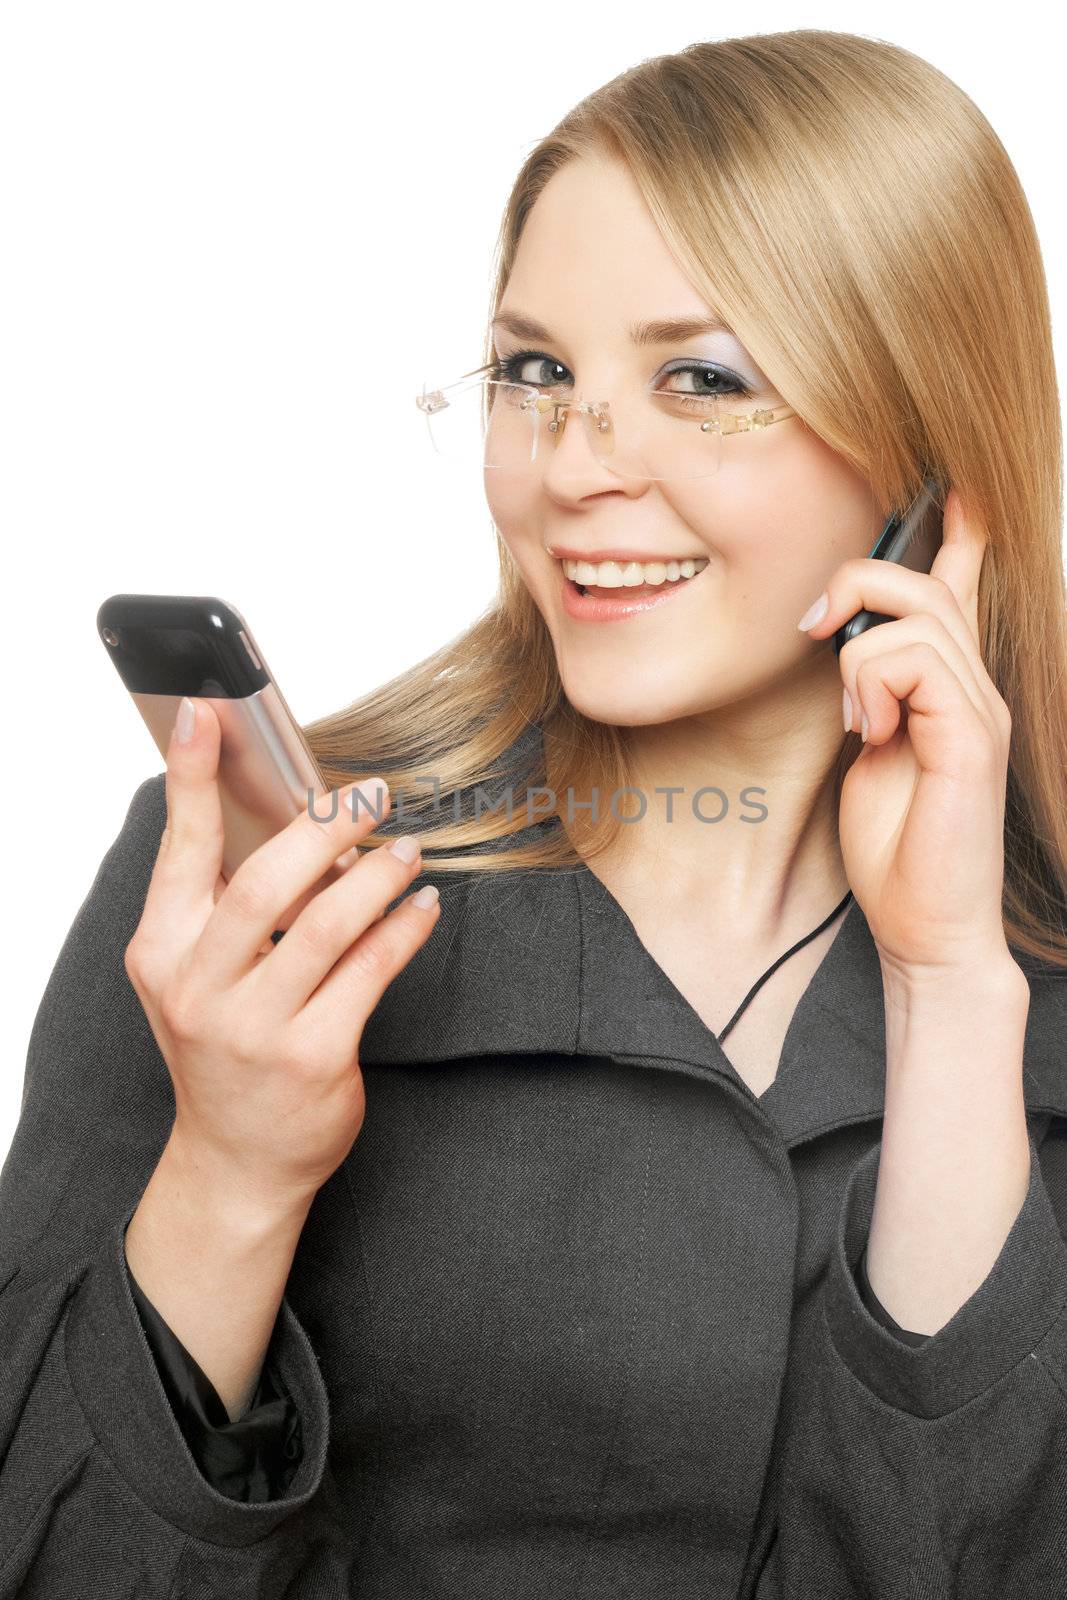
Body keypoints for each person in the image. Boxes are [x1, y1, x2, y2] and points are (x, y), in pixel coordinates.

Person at [4, 28, 1067, 1599]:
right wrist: (230, 1175)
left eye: (702, 380)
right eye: (535, 372)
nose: (572, 467)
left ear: (926, 459)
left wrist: (950, 990)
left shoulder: (1017, 943)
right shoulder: (260, 891)